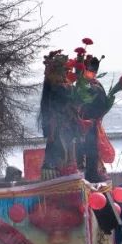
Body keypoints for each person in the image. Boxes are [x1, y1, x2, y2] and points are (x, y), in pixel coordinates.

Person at [39, 50, 79, 179]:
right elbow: (66, 100)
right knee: (59, 152)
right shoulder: (57, 86)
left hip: (65, 125)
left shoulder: (60, 85)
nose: (66, 72)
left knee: (66, 150)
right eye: (64, 70)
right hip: (59, 126)